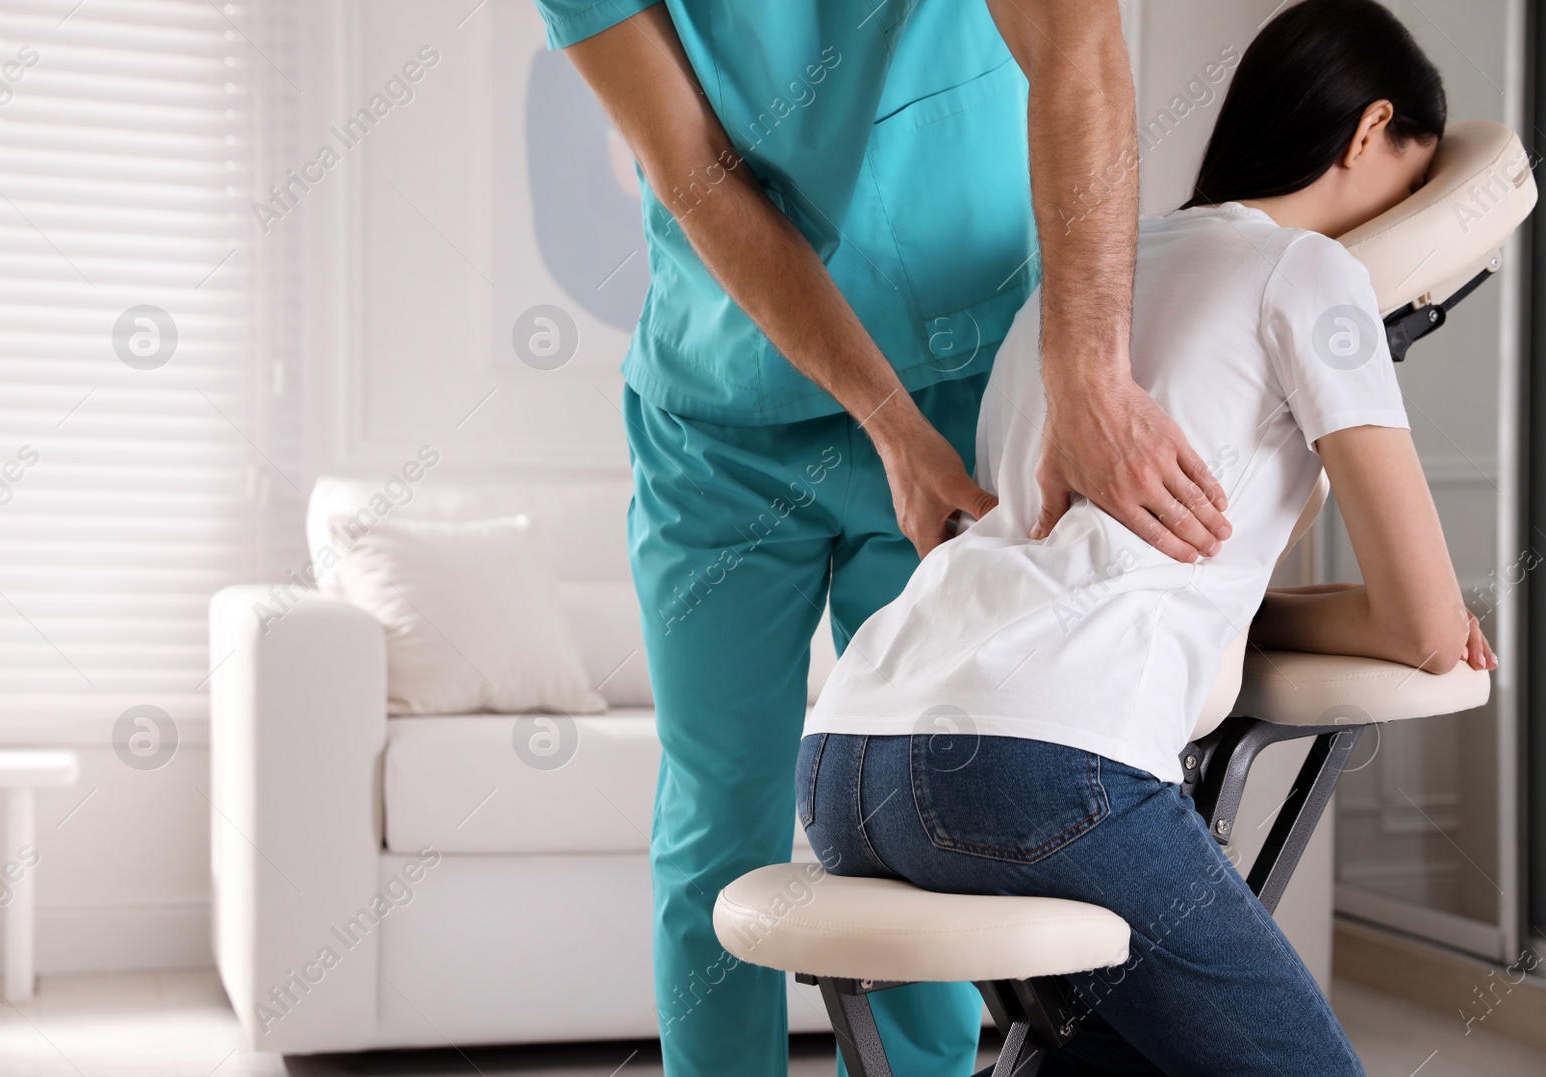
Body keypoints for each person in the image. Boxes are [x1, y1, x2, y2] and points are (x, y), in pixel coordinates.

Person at [531, 2, 1234, 1074]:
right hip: (720, 416)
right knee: (717, 825)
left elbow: (1075, 42)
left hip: (964, 377)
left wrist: (1088, 372)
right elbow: (692, 170)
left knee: (919, 807)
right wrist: (887, 426)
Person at [800, 1, 1496, 1073]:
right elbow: (1419, 628)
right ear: (1371, 132)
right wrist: (1446, 618)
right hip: (1032, 770)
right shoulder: (1312, 274)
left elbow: (1094, 563)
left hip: (848, 760)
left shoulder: (1077, 283)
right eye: (1409, 178)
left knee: (1110, 1053)